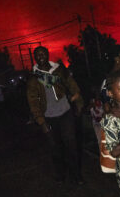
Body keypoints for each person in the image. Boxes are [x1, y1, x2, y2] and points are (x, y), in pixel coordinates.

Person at [26, 46, 84, 185]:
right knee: (55, 149)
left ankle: (76, 175)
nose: (41, 56)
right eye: (38, 54)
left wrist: (77, 96)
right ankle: (60, 174)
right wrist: (41, 122)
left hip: (65, 112)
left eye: (43, 53)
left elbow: (71, 83)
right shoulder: (34, 77)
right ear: (35, 57)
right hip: (49, 117)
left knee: (71, 145)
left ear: (47, 55)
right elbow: (33, 101)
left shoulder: (58, 70)